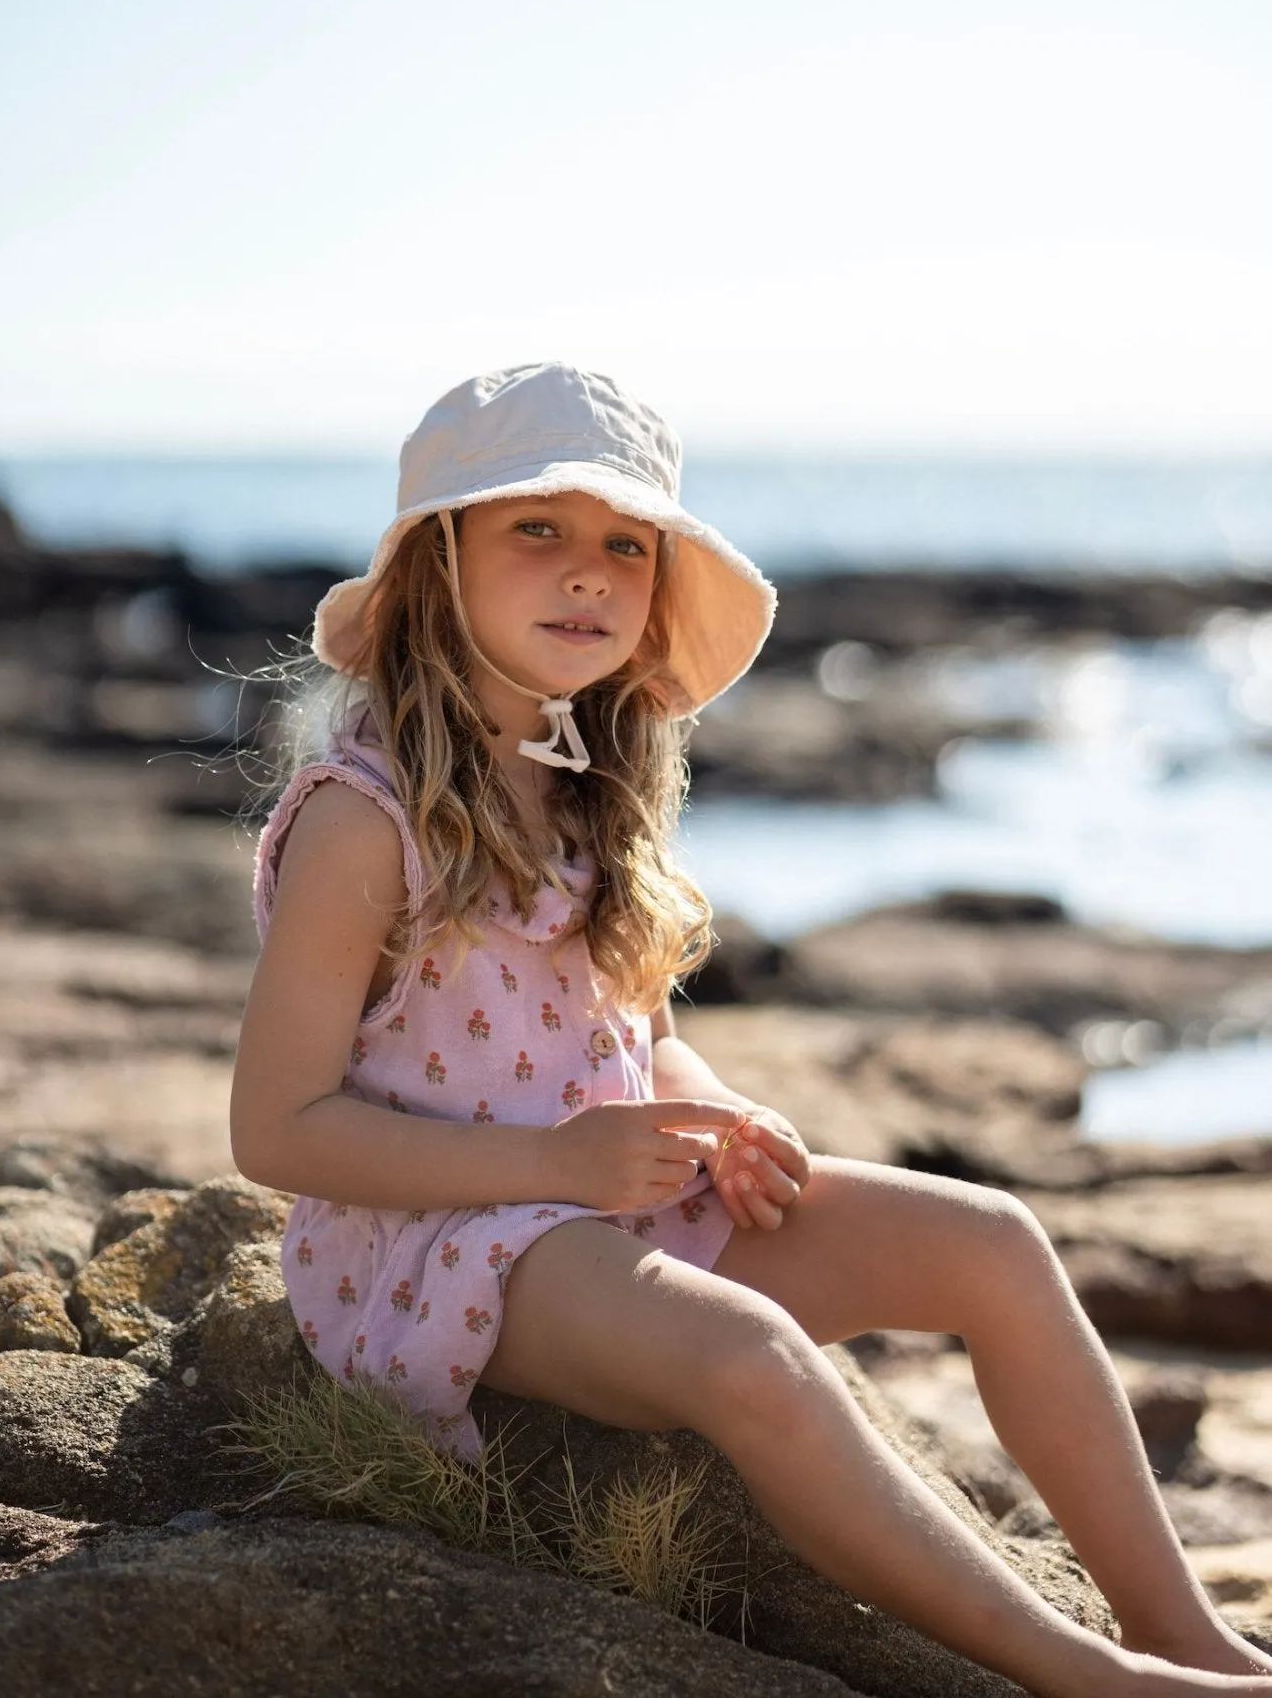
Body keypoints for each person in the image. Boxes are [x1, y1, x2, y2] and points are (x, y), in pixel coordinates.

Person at [230, 362, 1270, 1697]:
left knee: (997, 1243)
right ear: (441, 560)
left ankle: (1182, 1633)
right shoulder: (360, 818)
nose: (588, 574)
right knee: (748, 1353)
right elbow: (276, 1131)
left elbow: (630, 1033)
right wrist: (556, 1170)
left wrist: (713, 1108)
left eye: (626, 546)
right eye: (535, 530)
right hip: (432, 1250)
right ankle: (1085, 1677)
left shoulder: (583, 782)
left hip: (604, 1209)